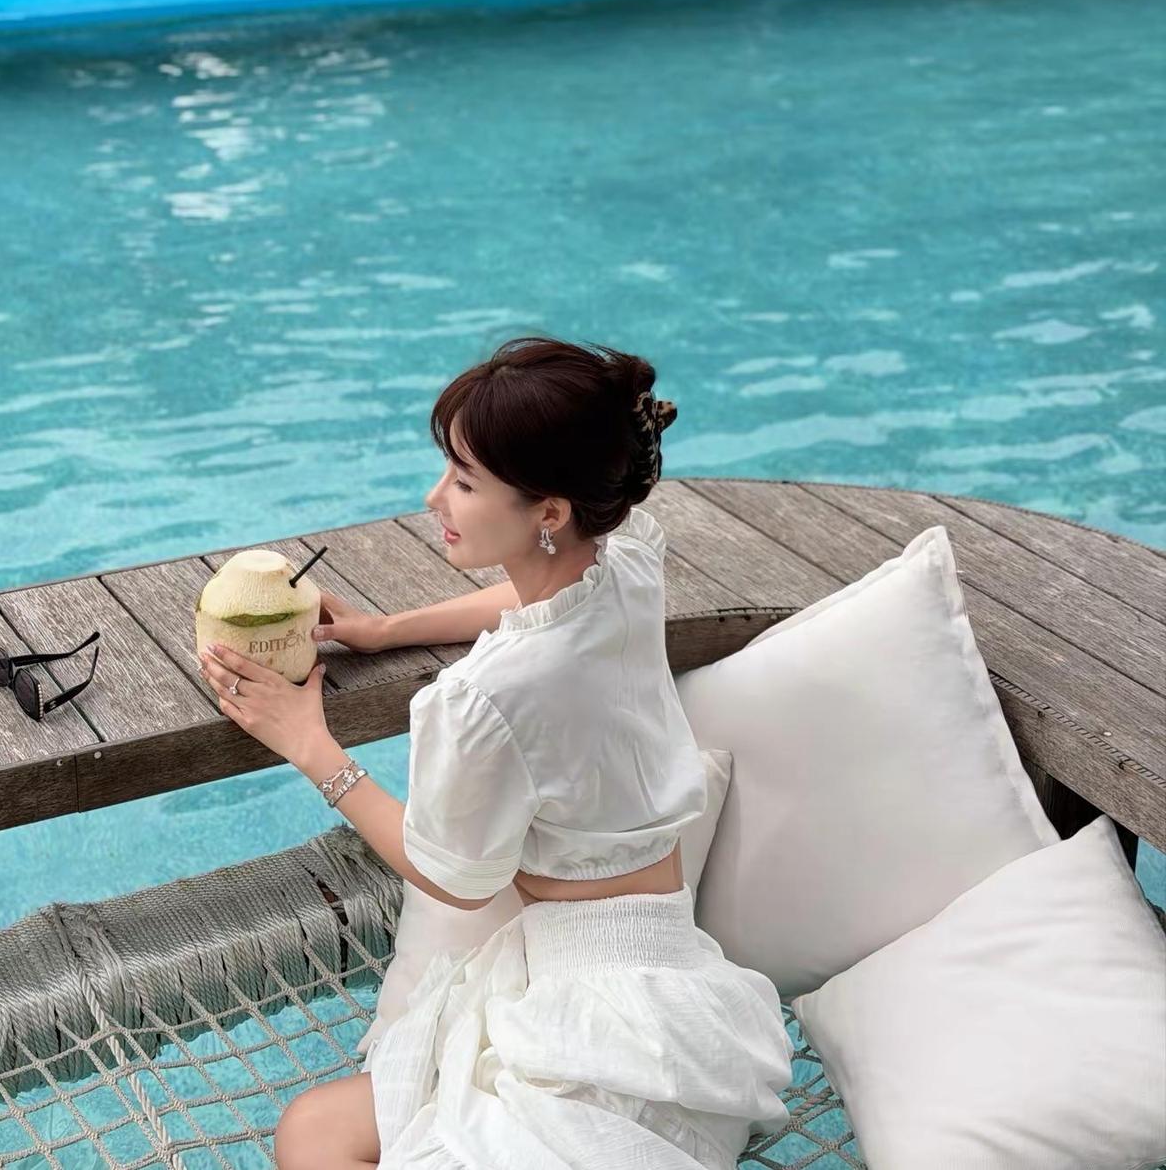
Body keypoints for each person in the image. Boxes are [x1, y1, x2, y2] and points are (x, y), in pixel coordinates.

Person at [199, 334, 794, 1170]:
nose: (434, 495)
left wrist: (310, 744)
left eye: (465, 480)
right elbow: (533, 596)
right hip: (677, 1009)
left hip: (595, 1057)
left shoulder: (485, 698)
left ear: (549, 511)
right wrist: (387, 628)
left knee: (310, 1134)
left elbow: (452, 872)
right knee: (318, 1127)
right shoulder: (625, 570)